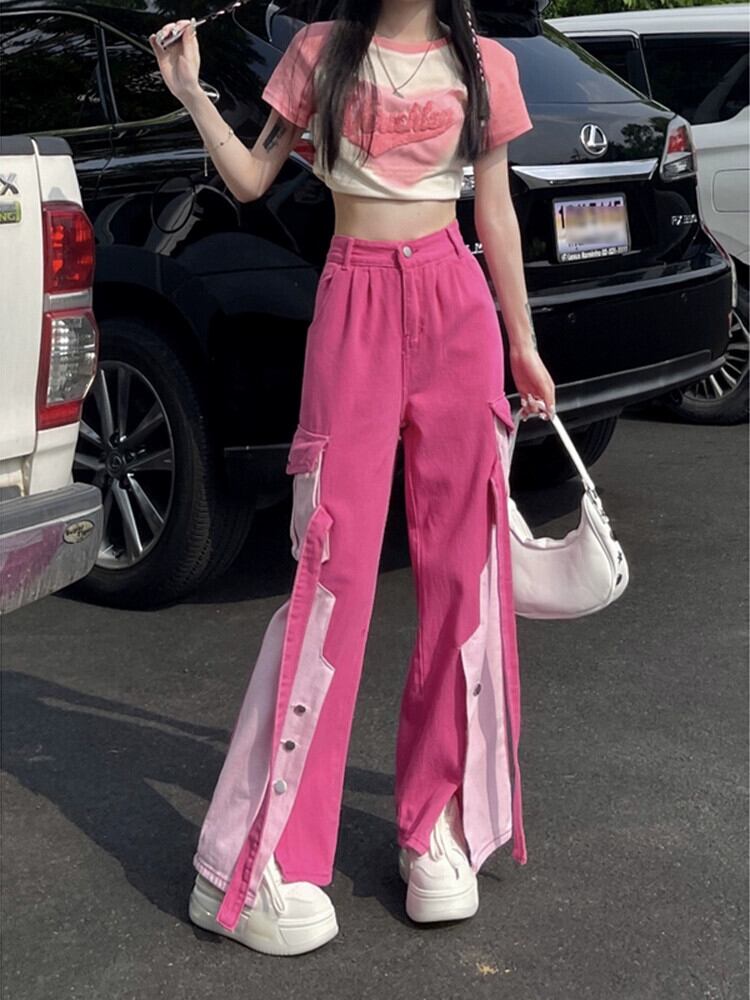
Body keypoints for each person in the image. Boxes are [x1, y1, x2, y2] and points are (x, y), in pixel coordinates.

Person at [150, 0, 556, 958]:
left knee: (462, 575)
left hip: (456, 305)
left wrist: (523, 342)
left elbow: (493, 207)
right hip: (355, 304)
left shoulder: (484, 61)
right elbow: (251, 179)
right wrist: (191, 93)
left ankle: (436, 824)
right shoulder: (319, 53)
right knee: (329, 578)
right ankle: (268, 855)